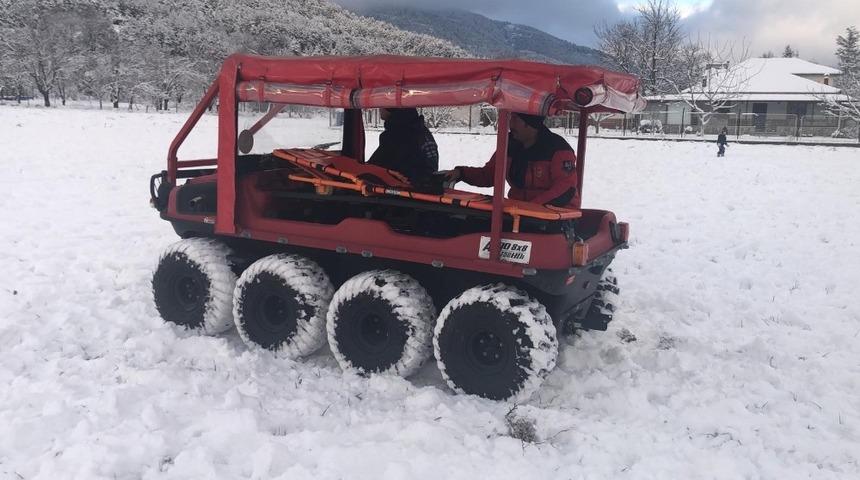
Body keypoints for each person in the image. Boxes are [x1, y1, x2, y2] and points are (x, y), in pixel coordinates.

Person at [444, 112, 578, 208]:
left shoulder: (558, 149)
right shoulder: (509, 145)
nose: (509, 124)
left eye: (514, 118)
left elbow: (565, 189)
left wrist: (530, 209)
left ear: (529, 124)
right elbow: (490, 175)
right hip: (518, 214)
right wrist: (461, 173)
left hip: (556, 217)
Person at [367, 107, 439, 184]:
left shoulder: (397, 134)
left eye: (381, 105)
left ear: (391, 108)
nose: (379, 108)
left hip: (403, 188)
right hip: (423, 186)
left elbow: (375, 166)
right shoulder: (420, 130)